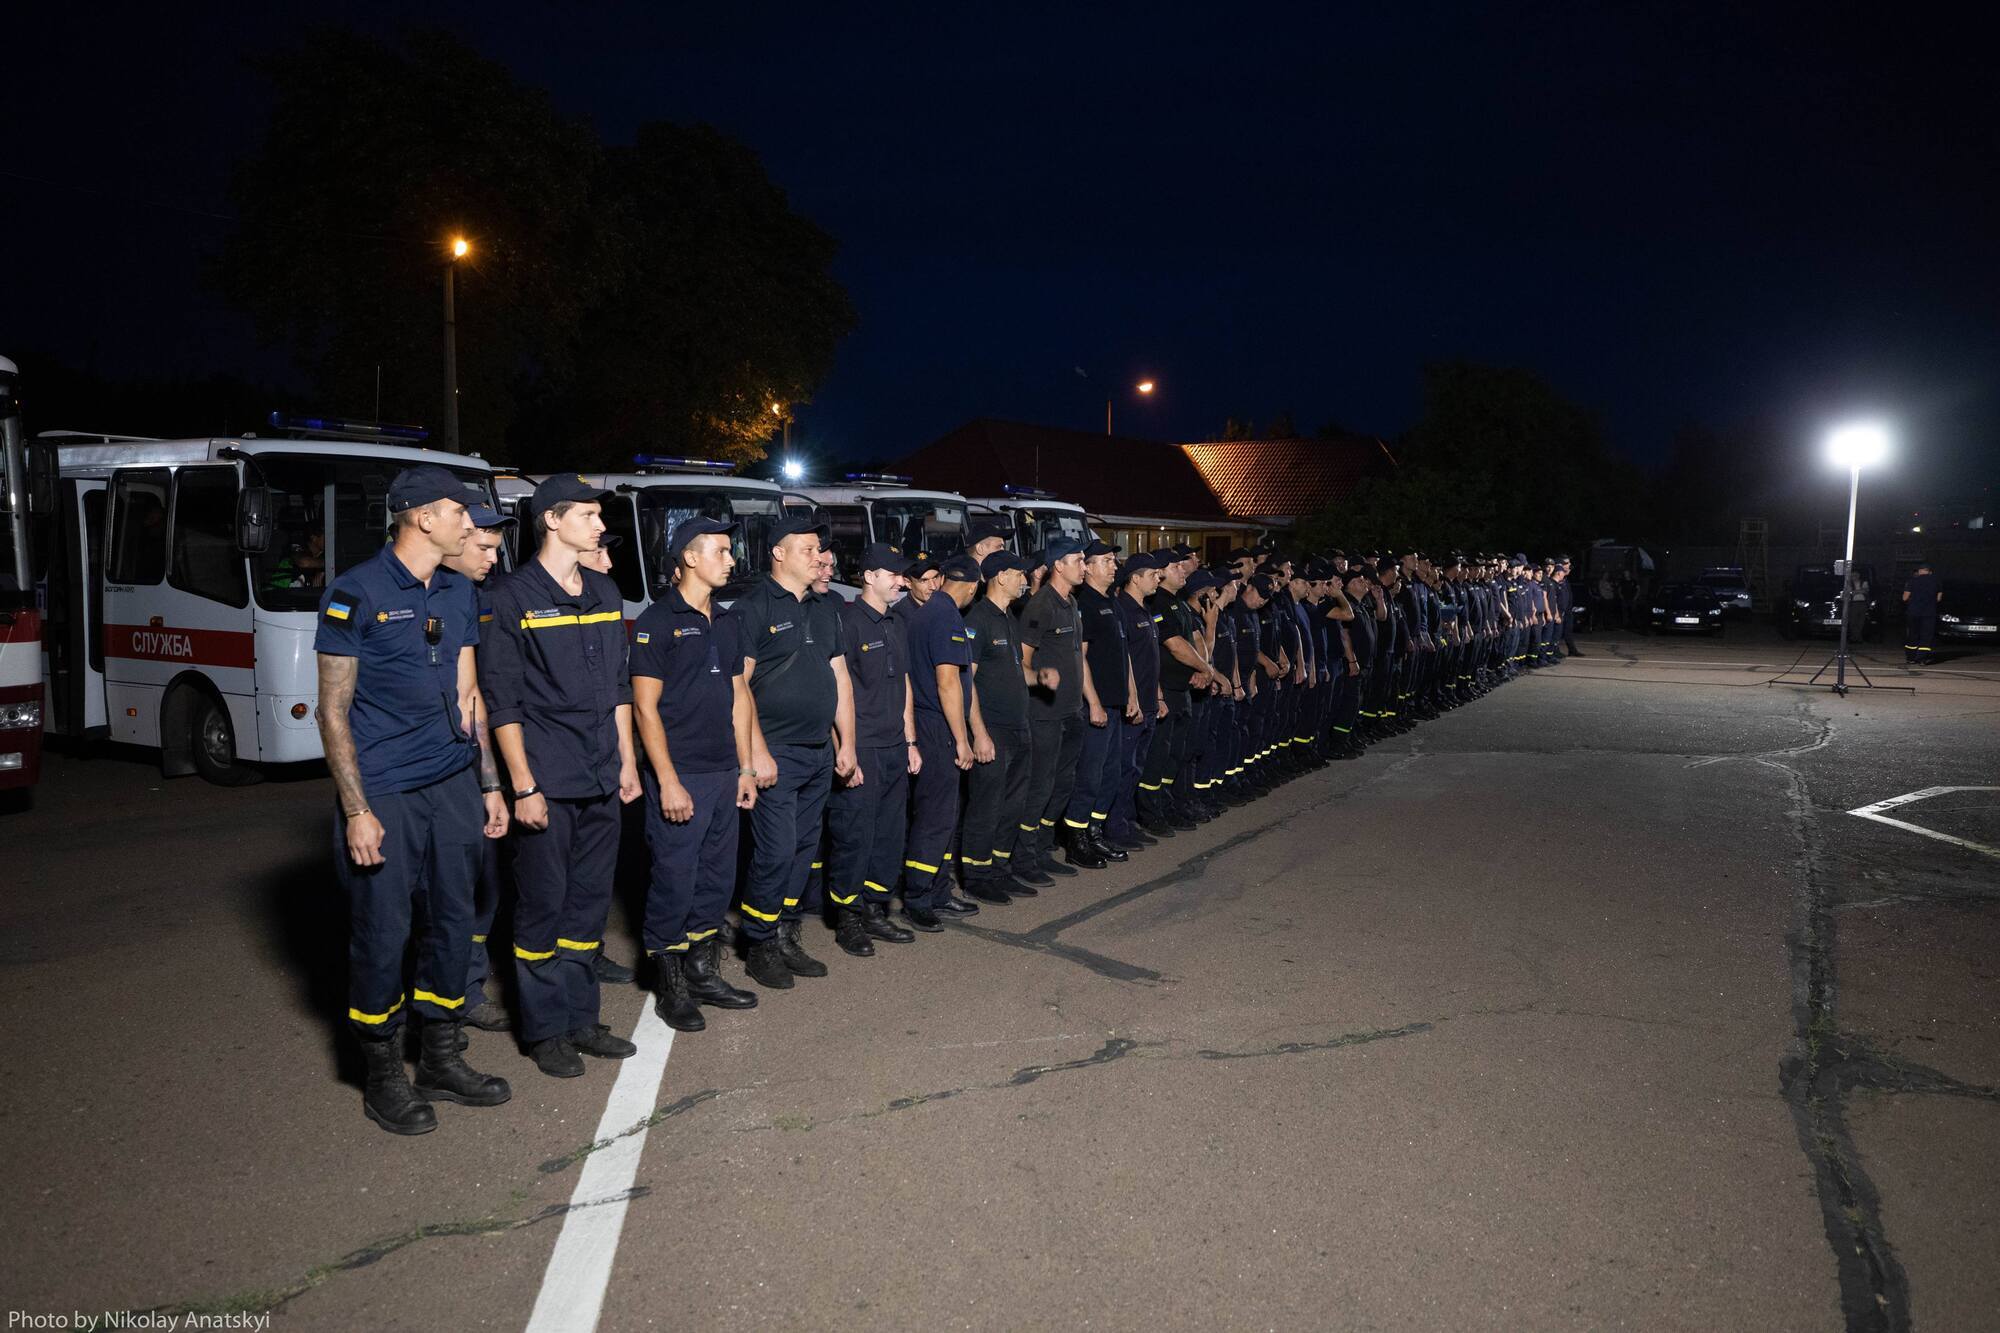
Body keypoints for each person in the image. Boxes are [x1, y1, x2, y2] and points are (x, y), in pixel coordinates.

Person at [315, 464, 511, 1135]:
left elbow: (468, 697)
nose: (472, 525)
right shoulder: (354, 592)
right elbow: (332, 711)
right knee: (383, 932)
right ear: (423, 517)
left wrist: (487, 782)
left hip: (452, 782)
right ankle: (383, 1077)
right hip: (387, 790)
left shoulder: (457, 592)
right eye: (462, 512)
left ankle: (441, 1058)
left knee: (455, 921)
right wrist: (355, 809)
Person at [480, 474, 643, 1079]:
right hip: (547, 782)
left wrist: (627, 762)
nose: (600, 526)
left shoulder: (604, 590)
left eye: (601, 516)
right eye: (588, 515)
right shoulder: (514, 596)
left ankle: (581, 1019)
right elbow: (503, 702)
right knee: (543, 909)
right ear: (552, 519)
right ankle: (545, 1029)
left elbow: (620, 689)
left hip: (603, 776)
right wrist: (522, 785)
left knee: (587, 911)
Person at [629, 518, 762, 1032]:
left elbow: (738, 695)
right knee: (673, 881)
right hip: (681, 773)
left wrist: (746, 767)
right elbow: (645, 709)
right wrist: (667, 780)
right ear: (688, 557)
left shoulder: (727, 622)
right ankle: (671, 986)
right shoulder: (656, 621)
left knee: (715, 879)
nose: (731, 560)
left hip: (724, 771)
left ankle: (703, 973)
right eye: (721, 551)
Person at [729, 516, 858, 989]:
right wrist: (756, 752)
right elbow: (738, 684)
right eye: (806, 549)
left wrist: (848, 744)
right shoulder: (753, 607)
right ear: (778, 554)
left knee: (804, 850)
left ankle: (785, 933)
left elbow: (840, 679)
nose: (818, 556)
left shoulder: (824, 609)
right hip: (776, 753)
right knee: (776, 850)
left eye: (818, 549)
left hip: (818, 751)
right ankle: (759, 942)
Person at [441, 503, 519, 1037]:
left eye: (496, 547)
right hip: (448, 763)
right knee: (456, 886)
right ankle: (456, 993)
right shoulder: (436, 599)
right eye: (483, 547)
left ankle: (468, 982)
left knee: (489, 879)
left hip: (490, 751)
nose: (492, 558)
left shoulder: (485, 597)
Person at [825, 542, 924, 948]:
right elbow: (834, 692)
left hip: (894, 747)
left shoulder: (897, 623)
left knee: (888, 835)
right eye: (893, 573)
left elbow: (903, 684)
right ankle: (847, 918)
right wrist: (842, 750)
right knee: (854, 836)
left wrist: (911, 741)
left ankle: (874, 909)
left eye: (902, 574)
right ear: (868, 577)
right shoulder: (847, 623)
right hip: (861, 747)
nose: (901, 581)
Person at [904, 553, 986, 914]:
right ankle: (919, 899)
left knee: (943, 815)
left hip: (930, 724)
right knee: (936, 817)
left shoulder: (929, 611)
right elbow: (949, 682)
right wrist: (962, 739)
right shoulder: (946, 616)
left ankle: (937, 891)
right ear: (970, 586)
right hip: (937, 727)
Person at [962, 550, 1043, 894]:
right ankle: (977, 876)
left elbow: (1014, 671)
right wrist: (979, 734)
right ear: (999, 576)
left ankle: (998, 867)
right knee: (987, 805)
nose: (1025, 581)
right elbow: (967, 680)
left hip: (1018, 727)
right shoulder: (978, 619)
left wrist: (1039, 677)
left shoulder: (1009, 617)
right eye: (1019, 574)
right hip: (992, 729)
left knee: (1013, 804)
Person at [1063, 540, 1138, 865]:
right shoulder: (1086, 604)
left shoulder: (1113, 603)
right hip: (1096, 705)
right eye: (1106, 561)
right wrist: (1092, 702)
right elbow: (1081, 658)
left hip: (1116, 704)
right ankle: (1077, 840)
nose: (1114, 566)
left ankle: (1095, 832)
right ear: (1089, 567)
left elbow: (1125, 655)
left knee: (1110, 773)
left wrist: (1132, 693)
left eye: (1113, 560)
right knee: (1090, 775)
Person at [1017, 537, 1089, 878]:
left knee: (1062, 784)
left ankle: (1044, 848)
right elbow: (1022, 660)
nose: (1084, 566)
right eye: (1078, 560)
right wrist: (1039, 677)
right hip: (1044, 714)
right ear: (1058, 565)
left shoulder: (1071, 602)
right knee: (1039, 785)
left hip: (1071, 711)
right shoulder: (1041, 604)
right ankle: (1023, 857)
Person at [1107, 552, 1165, 844]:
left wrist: (1159, 696)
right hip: (1134, 705)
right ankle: (1115, 827)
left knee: (1136, 768)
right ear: (1136, 577)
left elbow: (1151, 660)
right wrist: (1135, 700)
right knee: (1125, 767)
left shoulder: (1145, 609)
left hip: (1150, 702)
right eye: (1153, 574)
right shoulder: (1123, 610)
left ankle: (1127, 821)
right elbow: (1125, 660)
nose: (1159, 578)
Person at [1902, 561, 1942, 664]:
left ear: (1919, 571)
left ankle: (1911, 658)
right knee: (1926, 635)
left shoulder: (1912, 581)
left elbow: (1905, 598)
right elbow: (1938, 598)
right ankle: (1922, 658)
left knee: (1912, 634)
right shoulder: (1936, 582)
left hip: (1913, 612)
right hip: (1929, 613)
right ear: (1930, 572)